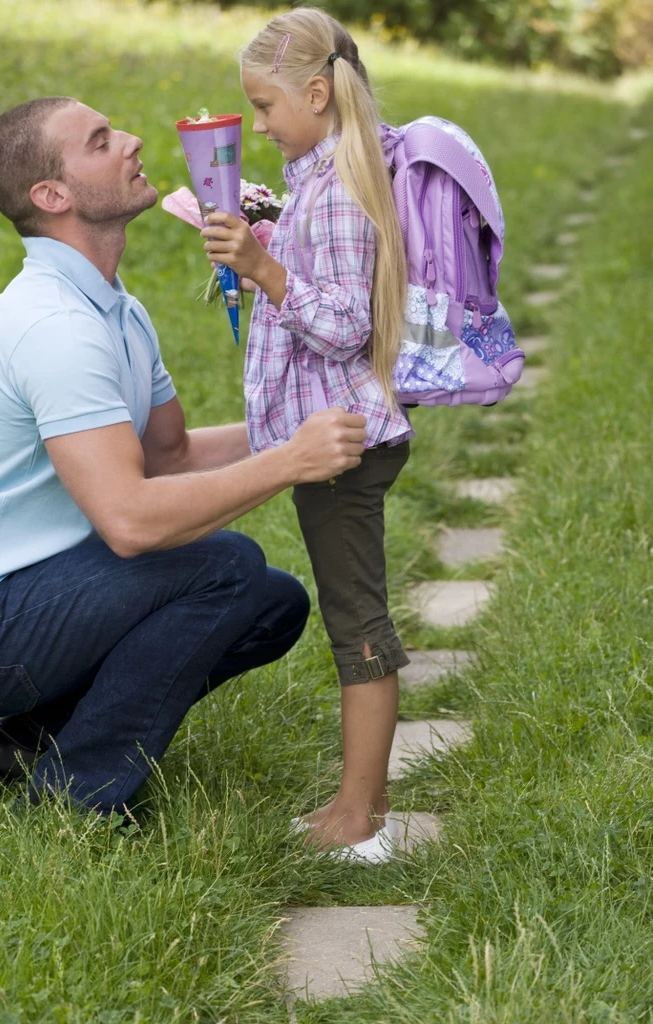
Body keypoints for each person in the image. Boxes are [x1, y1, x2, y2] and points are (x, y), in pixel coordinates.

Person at [0, 96, 369, 817]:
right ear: (52, 196)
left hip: (23, 596)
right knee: (225, 566)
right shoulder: (54, 326)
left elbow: (168, 458)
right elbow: (132, 522)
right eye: (101, 141)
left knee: (271, 604)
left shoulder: (115, 309)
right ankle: (72, 800)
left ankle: (27, 737)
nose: (134, 141)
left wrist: (306, 421)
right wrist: (289, 462)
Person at [200, 8, 414, 863]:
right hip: (331, 435)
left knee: (358, 622)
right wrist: (257, 249)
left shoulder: (340, 192)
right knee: (349, 612)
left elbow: (343, 328)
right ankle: (361, 802)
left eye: (265, 106)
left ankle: (360, 818)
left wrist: (265, 269)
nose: (259, 124)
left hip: (344, 444)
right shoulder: (320, 179)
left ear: (317, 95)